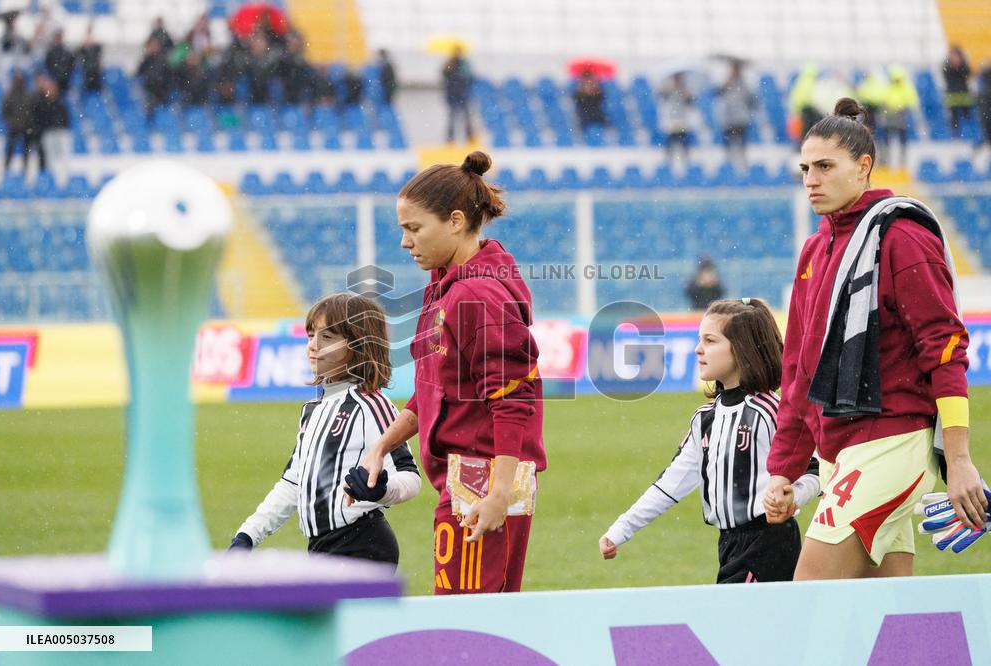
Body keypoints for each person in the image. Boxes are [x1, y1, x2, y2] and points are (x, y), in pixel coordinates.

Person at [763, 98, 986, 581]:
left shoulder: (902, 236)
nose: (810, 179)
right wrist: (784, 467)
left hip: (892, 442)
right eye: (804, 168)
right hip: (839, 453)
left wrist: (961, 459)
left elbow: (944, 348)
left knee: (807, 602)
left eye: (825, 166)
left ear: (864, 167)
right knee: (885, 627)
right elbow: (801, 369)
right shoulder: (814, 248)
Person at [360, 151, 547, 594]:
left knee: (470, 631)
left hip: (483, 481)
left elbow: (513, 400)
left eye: (414, 228)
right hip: (465, 478)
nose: (405, 242)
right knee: (472, 626)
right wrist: (383, 445)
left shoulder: (476, 295)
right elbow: (435, 389)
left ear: (457, 221)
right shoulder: (444, 285)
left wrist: (498, 493)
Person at [600, 299, 820, 583]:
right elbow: (671, 484)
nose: (698, 349)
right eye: (698, 339)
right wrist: (620, 530)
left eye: (710, 340)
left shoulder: (769, 412)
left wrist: (794, 497)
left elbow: (816, 470)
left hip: (768, 543)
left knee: (738, 625)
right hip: (728, 544)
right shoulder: (704, 419)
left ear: (741, 349)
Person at [228, 293, 421, 563]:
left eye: (327, 337)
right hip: (322, 548)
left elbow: (410, 478)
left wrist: (381, 491)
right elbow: (293, 482)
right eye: (310, 336)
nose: (313, 346)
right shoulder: (312, 410)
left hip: (362, 544)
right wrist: (247, 535)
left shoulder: (372, 404)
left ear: (359, 345)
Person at [717, 60, 757, 169]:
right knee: (728, 145)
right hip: (728, 118)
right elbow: (718, 93)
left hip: (741, 118)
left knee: (742, 145)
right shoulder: (726, 82)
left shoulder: (744, 83)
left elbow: (751, 99)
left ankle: (742, 165)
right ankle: (728, 165)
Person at [879, 66, 919, 168]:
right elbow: (883, 100)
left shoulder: (906, 88)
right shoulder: (889, 87)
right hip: (890, 115)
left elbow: (912, 101)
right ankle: (886, 161)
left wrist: (902, 107)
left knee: (902, 140)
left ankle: (902, 162)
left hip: (901, 116)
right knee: (887, 139)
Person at [661, 72, 696, 162]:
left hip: (682, 121)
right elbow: (663, 97)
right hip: (673, 121)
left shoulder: (684, 91)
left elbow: (690, 101)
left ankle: (686, 160)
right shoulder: (669, 90)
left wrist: (684, 91)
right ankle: (669, 161)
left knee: (684, 144)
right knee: (670, 144)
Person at [443, 46, 474, 143]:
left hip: (461, 94)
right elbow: (444, 75)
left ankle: (468, 135)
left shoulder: (464, 64)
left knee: (465, 116)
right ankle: (451, 136)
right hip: (454, 94)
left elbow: (470, 76)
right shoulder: (449, 63)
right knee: (453, 117)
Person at [1, 71, 31, 174]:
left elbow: (31, 111)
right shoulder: (9, 94)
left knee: (26, 150)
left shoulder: (27, 94)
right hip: (13, 127)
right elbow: (4, 111)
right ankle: (6, 169)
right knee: (10, 149)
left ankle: (25, 169)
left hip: (25, 127)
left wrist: (27, 123)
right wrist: (11, 122)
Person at [943, 45, 975, 139]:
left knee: (967, 116)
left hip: (964, 94)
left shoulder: (964, 65)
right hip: (952, 94)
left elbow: (968, 74)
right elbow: (946, 76)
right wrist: (953, 66)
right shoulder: (946, 65)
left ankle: (969, 135)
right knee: (954, 118)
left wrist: (959, 66)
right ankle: (955, 135)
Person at [573, 70, 606, 139]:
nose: (589, 85)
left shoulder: (599, 95)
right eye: (586, 83)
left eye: (591, 82)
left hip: (598, 121)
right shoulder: (578, 95)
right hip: (585, 122)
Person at [44, 29, 74, 94]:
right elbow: (47, 67)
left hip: (64, 82)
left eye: (59, 37)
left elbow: (71, 66)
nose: (58, 39)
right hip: (54, 82)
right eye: (57, 37)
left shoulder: (67, 52)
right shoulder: (50, 52)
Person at [76, 26, 103, 96]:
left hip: (95, 73)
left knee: (97, 91)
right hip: (87, 73)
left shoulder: (97, 47)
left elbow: (99, 56)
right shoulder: (83, 48)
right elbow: (77, 56)